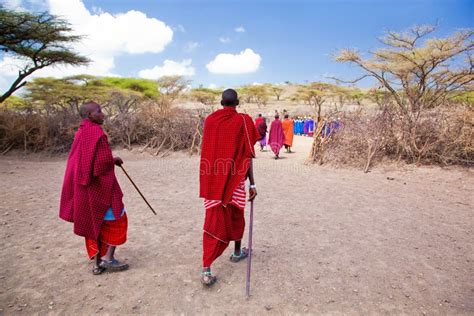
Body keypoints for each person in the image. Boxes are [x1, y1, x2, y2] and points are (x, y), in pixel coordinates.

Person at [59, 101, 129, 275]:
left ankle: (97, 264)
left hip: (84, 188)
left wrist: (111, 159)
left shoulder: (81, 132)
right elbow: (99, 166)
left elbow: (84, 161)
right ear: (90, 115)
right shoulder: (96, 133)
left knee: (94, 223)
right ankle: (108, 259)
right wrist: (114, 160)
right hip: (100, 188)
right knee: (117, 219)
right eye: (99, 111)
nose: (103, 114)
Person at [199, 89, 260, 286]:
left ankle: (209, 267)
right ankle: (234, 252)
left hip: (213, 181)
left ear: (221, 102)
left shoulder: (210, 120)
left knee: (213, 220)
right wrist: (252, 183)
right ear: (238, 102)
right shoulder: (243, 120)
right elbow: (247, 155)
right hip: (235, 182)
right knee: (236, 215)